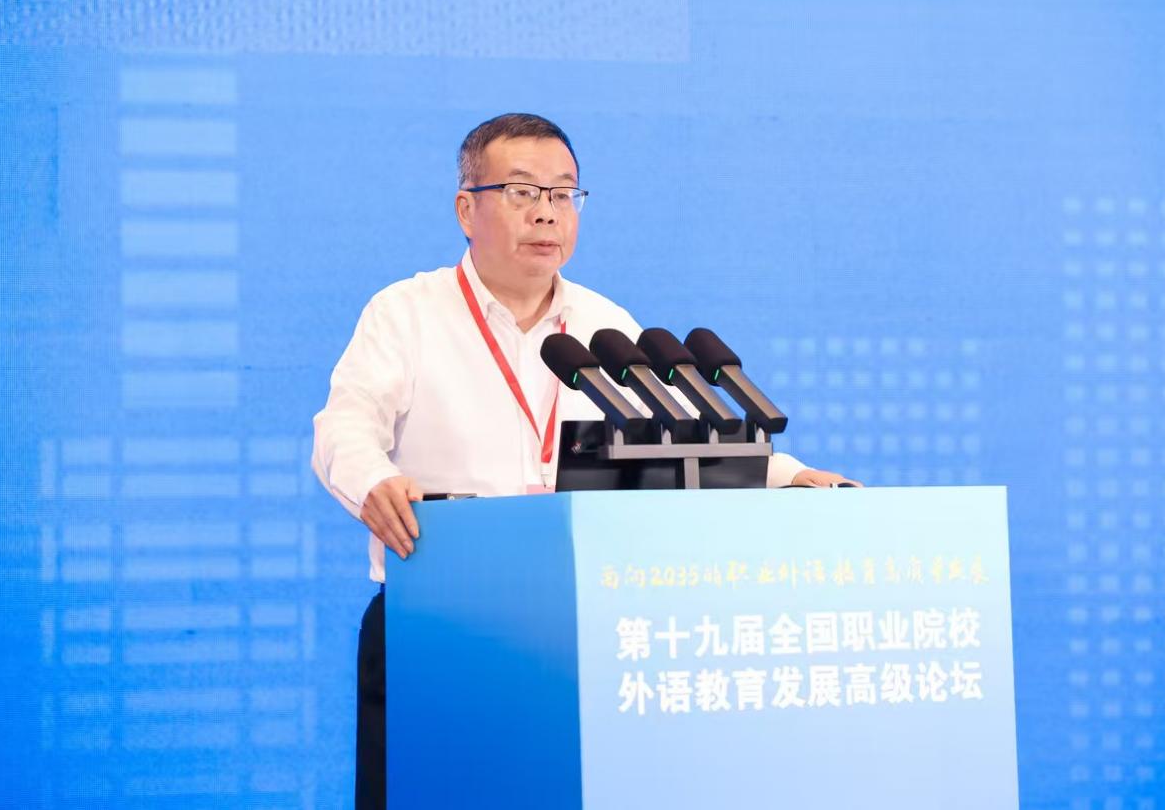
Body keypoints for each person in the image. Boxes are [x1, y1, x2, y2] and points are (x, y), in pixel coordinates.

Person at [310, 113, 861, 810]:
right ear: (466, 209)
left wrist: (789, 477)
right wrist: (375, 481)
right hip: (440, 623)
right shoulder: (406, 312)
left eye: (564, 193)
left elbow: (685, 433)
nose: (547, 212)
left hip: (575, 629)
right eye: (521, 192)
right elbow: (344, 425)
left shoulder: (607, 327)